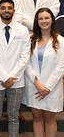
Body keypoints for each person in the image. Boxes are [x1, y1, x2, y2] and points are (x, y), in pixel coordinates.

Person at [0, 0, 30, 136]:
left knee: (13, 116)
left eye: (9, 8)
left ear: (14, 11)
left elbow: (25, 56)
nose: (6, 10)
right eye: (3, 8)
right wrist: (4, 77)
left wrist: (12, 77)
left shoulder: (23, 30)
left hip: (16, 81)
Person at [22, 8, 64, 137]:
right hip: (34, 86)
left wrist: (47, 87)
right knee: (37, 118)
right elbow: (26, 62)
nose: (44, 21)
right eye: (41, 18)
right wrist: (37, 84)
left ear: (52, 20)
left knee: (50, 120)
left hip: (52, 87)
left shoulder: (61, 41)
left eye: (47, 18)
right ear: (36, 21)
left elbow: (61, 66)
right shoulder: (30, 40)